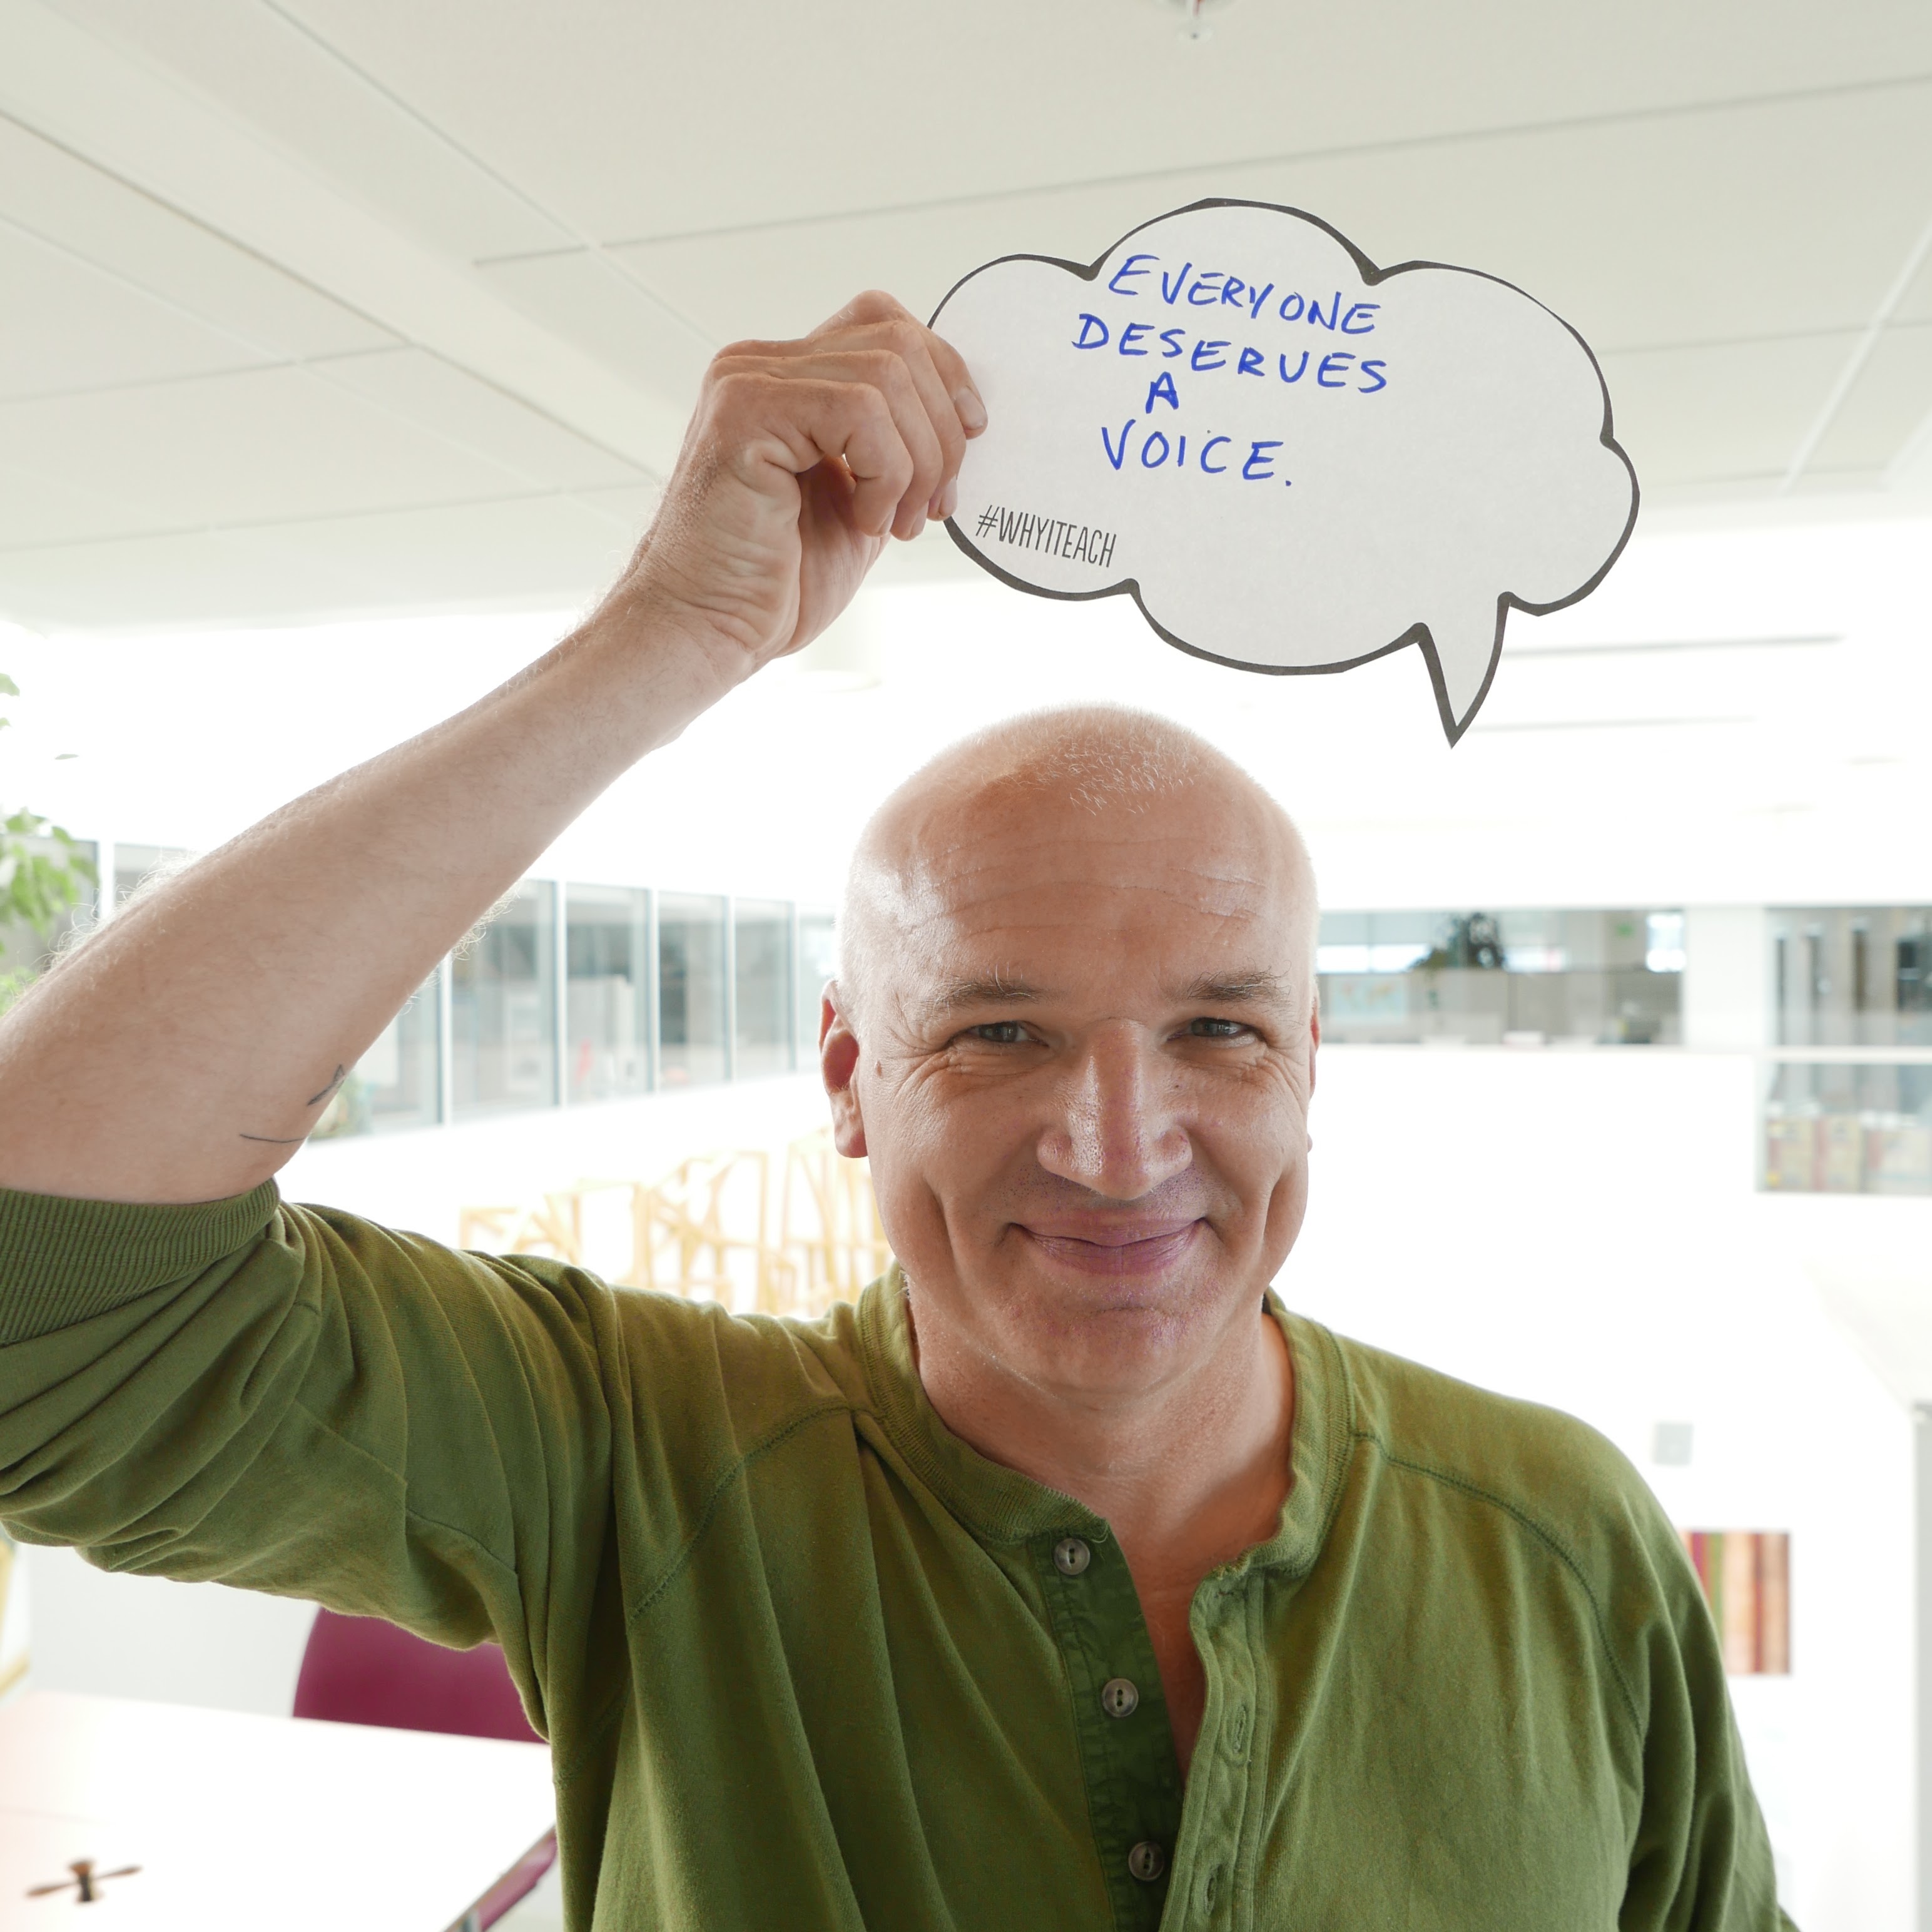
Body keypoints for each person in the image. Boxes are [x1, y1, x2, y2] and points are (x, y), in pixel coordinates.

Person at [0, 291, 1787, 1931]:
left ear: (1309, 1060)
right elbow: (42, 1302)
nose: (1119, 1147)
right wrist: (664, 637)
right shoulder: (640, 1468)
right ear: (852, 1078)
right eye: (1001, 1032)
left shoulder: (1568, 1539)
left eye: (1219, 1032)